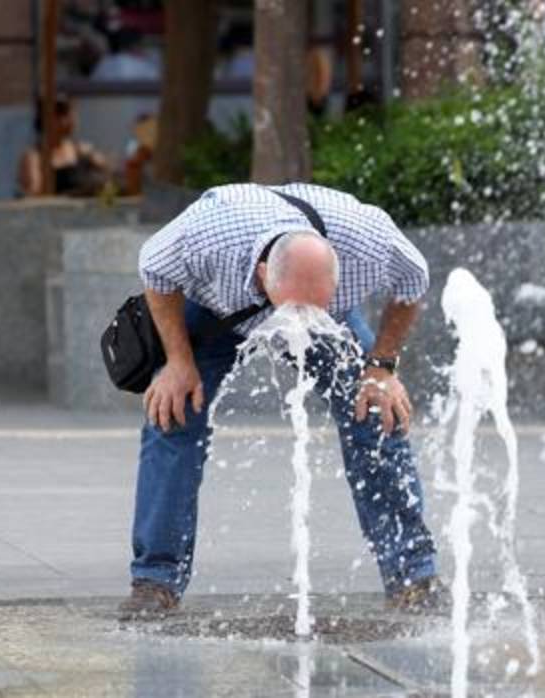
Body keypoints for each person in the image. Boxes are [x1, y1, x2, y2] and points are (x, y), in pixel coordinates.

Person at [118, 183, 445, 618]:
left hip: (331, 317)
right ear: (260, 275)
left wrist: (382, 367)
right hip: (215, 310)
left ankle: (412, 576)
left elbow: (413, 282)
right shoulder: (208, 233)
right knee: (173, 414)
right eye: (291, 312)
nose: (297, 327)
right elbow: (155, 271)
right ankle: (155, 581)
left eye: (314, 307)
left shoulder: (368, 239)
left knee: (375, 411)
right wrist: (178, 361)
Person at [17, 95, 110, 197]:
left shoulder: (81, 150)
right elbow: (33, 193)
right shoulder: (34, 157)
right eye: (65, 114)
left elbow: (107, 175)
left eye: (71, 114)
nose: (72, 120)